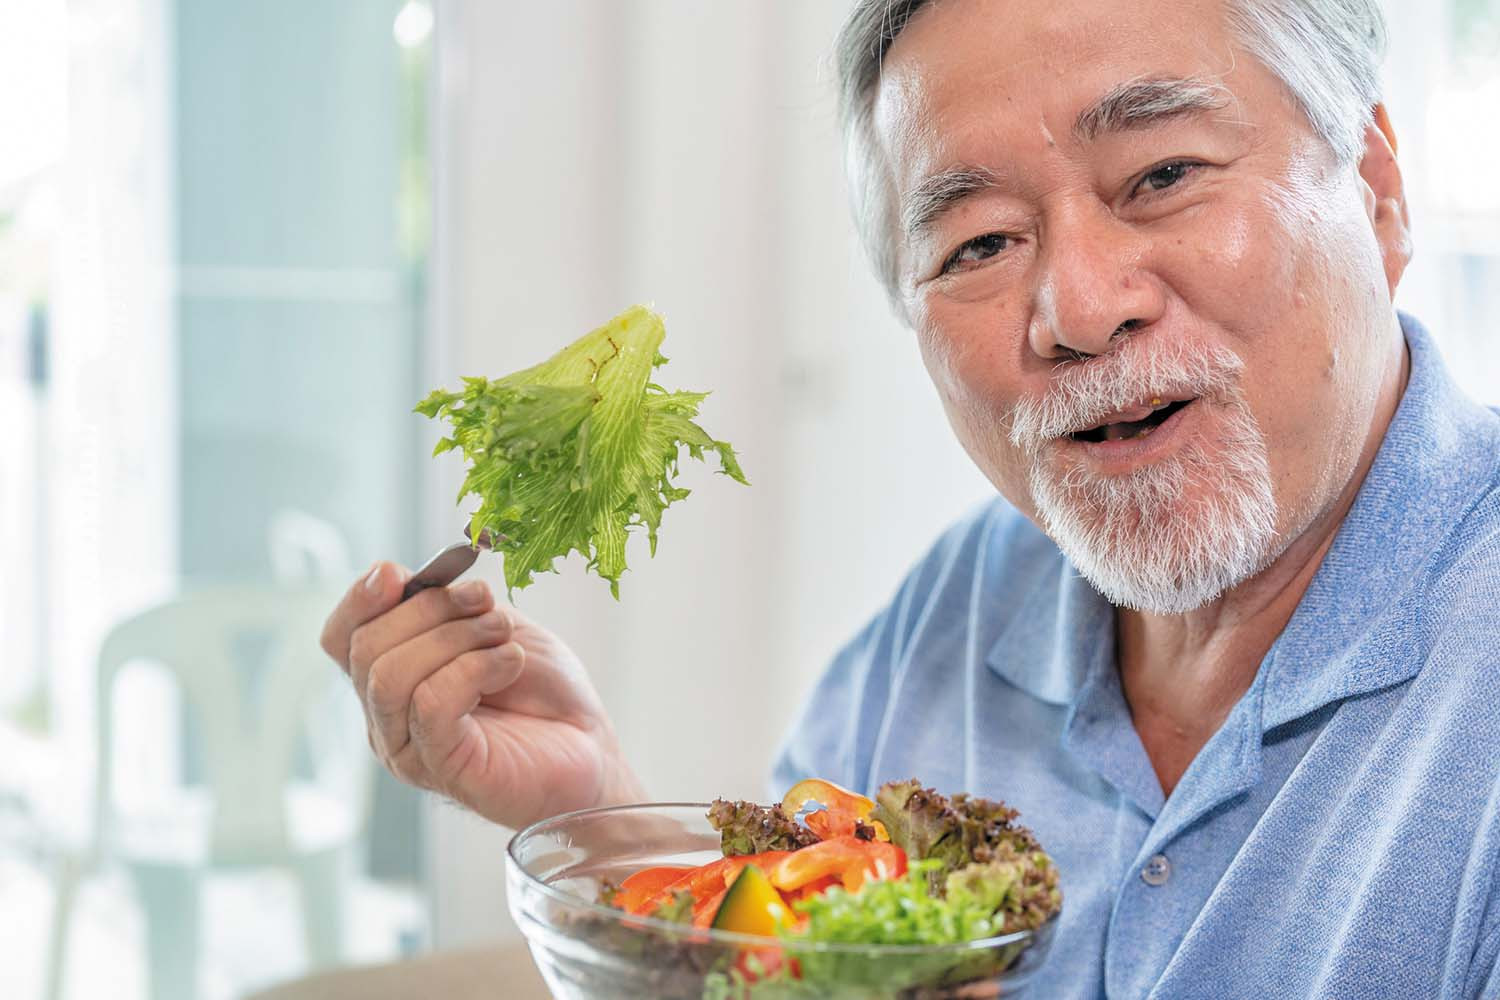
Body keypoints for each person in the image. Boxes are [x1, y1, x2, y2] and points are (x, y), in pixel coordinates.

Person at [319, 0, 1500, 995]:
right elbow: (788, 956)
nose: (1082, 308)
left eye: (1162, 175)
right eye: (980, 244)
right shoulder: (960, 604)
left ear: (1377, 189)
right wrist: (615, 828)